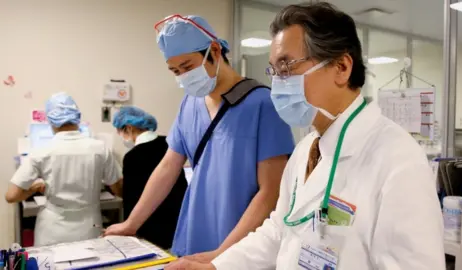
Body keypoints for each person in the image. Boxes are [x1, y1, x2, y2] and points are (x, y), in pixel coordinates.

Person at [166, 2, 445, 270]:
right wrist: (219, 265)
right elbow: (279, 230)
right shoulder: (306, 150)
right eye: (274, 70)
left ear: (341, 67)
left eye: (287, 67)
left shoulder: (398, 160)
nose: (277, 83)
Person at [104, 14, 295, 262]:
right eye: (175, 70)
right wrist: (131, 223)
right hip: (193, 236)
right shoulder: (190, 104)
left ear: (214, 51)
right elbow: (167, 167)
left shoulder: (262, 104)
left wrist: (222, 254)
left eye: (187, 66)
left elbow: (271, 191)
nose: (183, 76)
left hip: (240, 247)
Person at [5, 92, 122, 246]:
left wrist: (34, 189)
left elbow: (11, 196)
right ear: (77, 117)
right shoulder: (100, 149)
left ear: (51, 121)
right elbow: (119, 190)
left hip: (52, 230)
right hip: (89, 227)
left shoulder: (41, 151)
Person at [112, 106, 187, 249]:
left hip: (152, 232)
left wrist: (128, 229)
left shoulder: (133, 157)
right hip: (179, 226)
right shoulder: (169, 144)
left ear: (128, 128)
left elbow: (131, 201)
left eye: (120, 132)